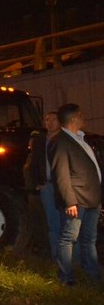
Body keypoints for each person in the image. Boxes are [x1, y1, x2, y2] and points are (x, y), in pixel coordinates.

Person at [47, 103, 102, 286]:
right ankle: (66, 277)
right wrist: (69, 201)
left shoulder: (81, 139)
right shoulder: (60, 142)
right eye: (80, 115)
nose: (83, 118)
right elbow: (60, 174)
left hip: (92, 198)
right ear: (73, 119)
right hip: (76, 199)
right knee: (68, 238)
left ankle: (92, 274)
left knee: (89, 239)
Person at [25, 111, 64, 259]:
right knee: (52, 224)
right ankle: (56, 257)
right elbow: (33, 164)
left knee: (66, 223)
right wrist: (38, 183)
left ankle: (71, 259)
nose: (50, 122)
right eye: (47, 119)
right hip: (47, 187)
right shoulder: (41, 141)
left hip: (63, 186)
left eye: (53, 119)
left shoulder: (65, 140)